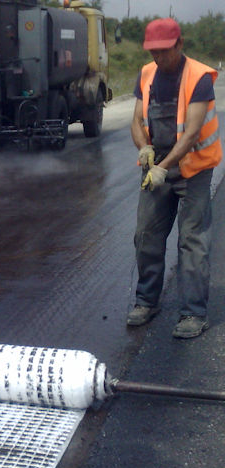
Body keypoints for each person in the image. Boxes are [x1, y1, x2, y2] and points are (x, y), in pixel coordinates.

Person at [126, 18, 221, 339]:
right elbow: (136, 120)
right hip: (158, 167)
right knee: (146, 235)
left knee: (192, 240)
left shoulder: (198, 77)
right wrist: (144, 148)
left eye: (164, 51)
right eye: (153, 52)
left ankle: (193, 313)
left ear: (179, 44)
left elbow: (191, 132)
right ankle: (146, 301)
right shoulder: (147, 73)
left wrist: (163, 167)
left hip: (193, 168)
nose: (159, 57)